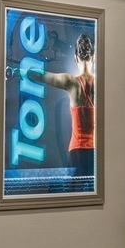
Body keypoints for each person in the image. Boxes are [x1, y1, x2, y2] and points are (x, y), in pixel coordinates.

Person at [21, 34, 99, 176]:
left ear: (76, 58)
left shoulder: (70, 82)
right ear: (93, 57)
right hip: (96, 151)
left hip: (77, 152)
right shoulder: (100, 83)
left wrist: (18, 71)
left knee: (76, 195)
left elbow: (41, 75)